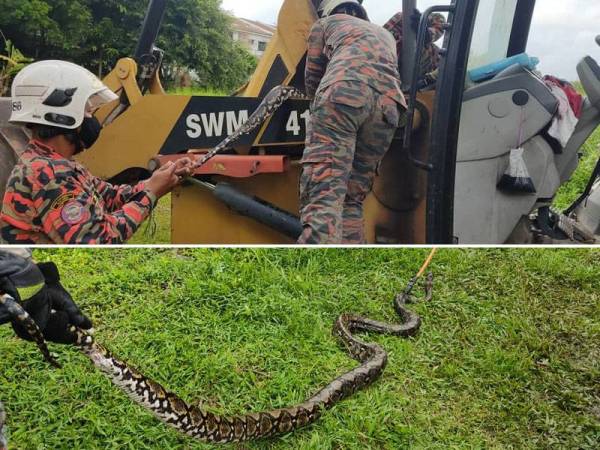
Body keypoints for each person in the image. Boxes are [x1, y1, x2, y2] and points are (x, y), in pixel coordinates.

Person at [0, 60, 193, 245]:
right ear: (62, 116)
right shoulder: (48, 175)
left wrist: (156, 181)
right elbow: (100, 240)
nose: (92, 119)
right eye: (88, 112)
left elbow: (109, 196)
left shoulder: (59, 164)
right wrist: (151, 194)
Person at [298, 0, 406, 244]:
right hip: (389, 108)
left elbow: (314, 76)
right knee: (352, 197)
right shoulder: (384, 34)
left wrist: (317, 108)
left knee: (324, 194)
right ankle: (350, 253)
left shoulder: (325, 24)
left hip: (344, 95)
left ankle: (315, 268)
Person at [384, 10, 447, 90]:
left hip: (422, 77)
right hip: (391, 68)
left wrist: (425, 32)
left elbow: (436, 30)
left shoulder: (434, 17)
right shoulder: (402, 17)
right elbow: (382, 36)